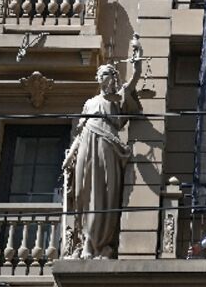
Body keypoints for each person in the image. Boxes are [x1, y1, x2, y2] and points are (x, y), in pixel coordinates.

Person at [61, 36, 144, 259]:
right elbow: (82, 129)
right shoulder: (90, 102)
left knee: (102, 196)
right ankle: (84, 241)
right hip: (87, 143)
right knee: (83, 194)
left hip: (107, 146)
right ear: (99, 79)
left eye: (110, 74)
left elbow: (134, 79)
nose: (106, 77)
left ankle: (98, 245)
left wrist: (136, 59)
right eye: (103, 74)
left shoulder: (118, 99)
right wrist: (70, 158)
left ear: (115, 78)